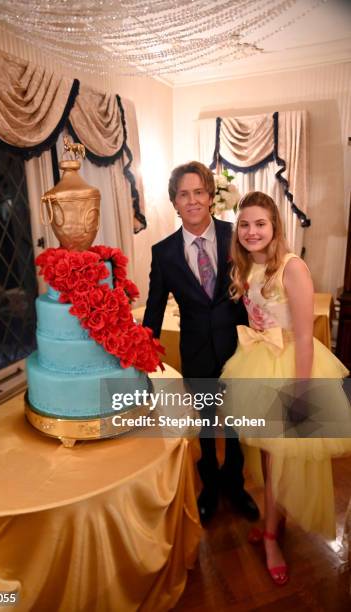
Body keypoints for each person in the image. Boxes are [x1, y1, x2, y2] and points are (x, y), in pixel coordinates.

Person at [221, 190, 351, 585]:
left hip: (291, 366)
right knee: (266, 452)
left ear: (275, 226)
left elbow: (307, 337)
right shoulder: (246, 268)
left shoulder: (292, 268)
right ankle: (272, 518)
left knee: (279, 458)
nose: (251, 231)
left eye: (260, 223)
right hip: (257, 365)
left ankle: (273, 539)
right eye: (244, 224)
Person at [143, 161, 259, 524]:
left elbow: (258, 287)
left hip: (238, 347)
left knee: (238, 423)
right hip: (195, 351)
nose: (192, 200)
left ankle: (235, 486)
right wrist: (142, 352)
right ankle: (209, 486)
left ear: (210, 197)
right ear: (174, 203)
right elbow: (155, 305)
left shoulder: (235, 235)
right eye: (183, 194)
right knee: (207, 425)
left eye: (198, 192)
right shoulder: (163, 253)